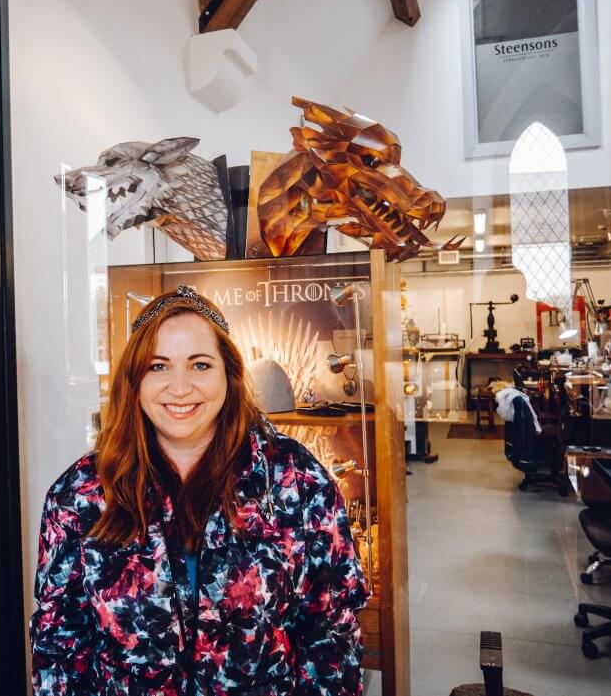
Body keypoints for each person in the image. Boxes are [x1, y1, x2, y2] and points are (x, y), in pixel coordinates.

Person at [30, 285, 369, 695]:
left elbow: (330, 631)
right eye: (158, 366)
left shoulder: (298, 481)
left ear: (229, 372)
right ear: (134, 380)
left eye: (200, 365)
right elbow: (59, 644)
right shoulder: (81, 496)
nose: (179, 387)